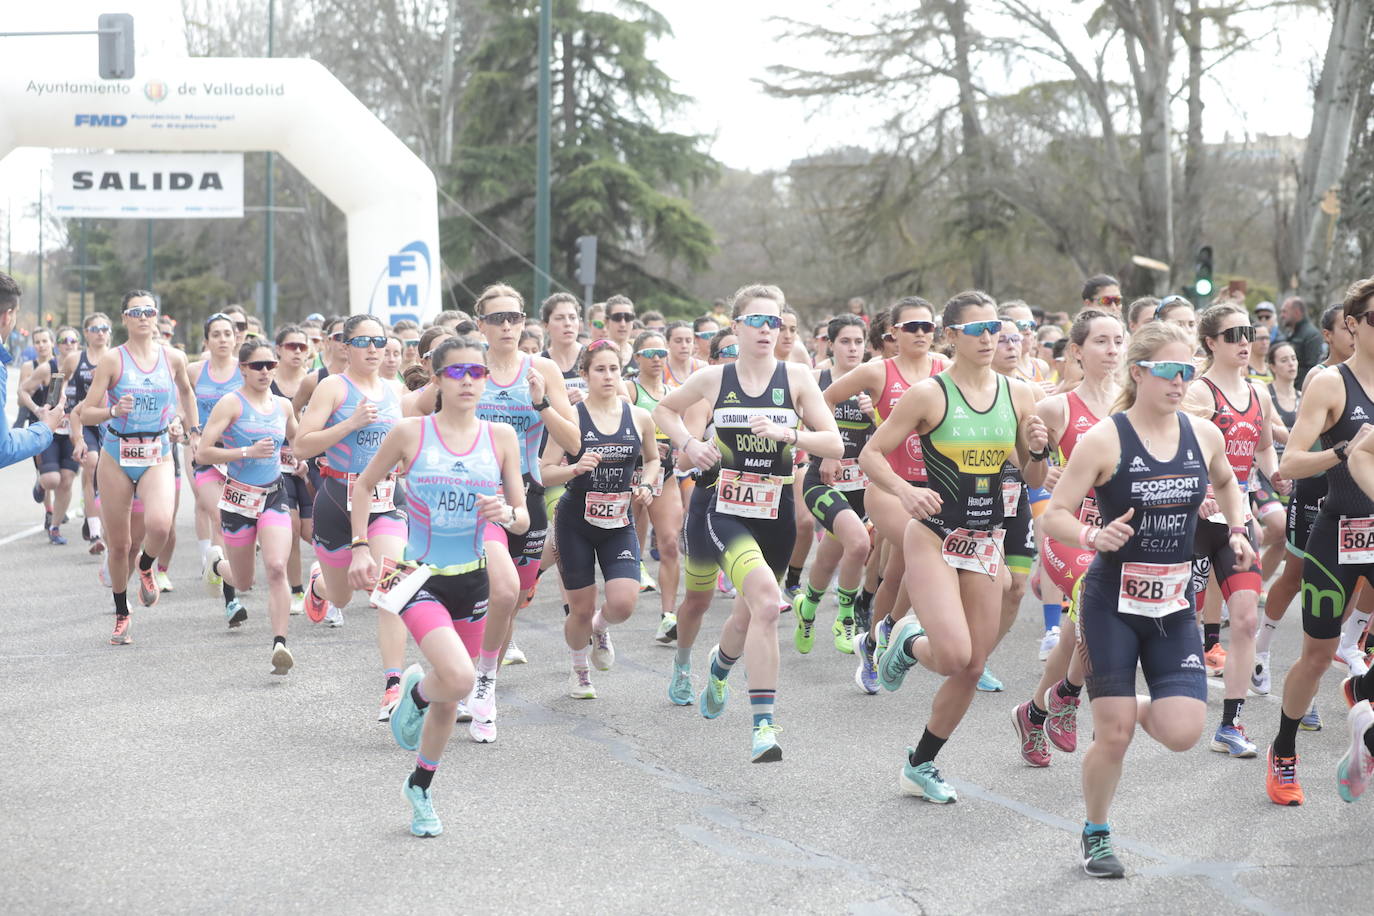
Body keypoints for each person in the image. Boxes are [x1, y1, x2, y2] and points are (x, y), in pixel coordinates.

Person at [1040, 319, 1252, 877]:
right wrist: (1091, 536)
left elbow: (1228, 481)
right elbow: (1056, 514)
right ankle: (1097, 832)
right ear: (1139, 372)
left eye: (1188, 371)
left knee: (1183, 732)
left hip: (1174, 603)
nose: (1181, 381)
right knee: (1112, 736)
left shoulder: (1202, 434)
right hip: (1111, 600)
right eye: (1169, 371)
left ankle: (1100, 703)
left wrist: (1237, 527)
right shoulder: (1106, 437)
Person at [862, 291, 1049, 804]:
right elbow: (871, 453)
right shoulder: (929, 395)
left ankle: (920, 764)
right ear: (951, 337)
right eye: (978, 330)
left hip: (985, 541)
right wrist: (904, 490)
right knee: (951, 656)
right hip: (934, 536)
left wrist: (1036, 450)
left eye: (997, 329)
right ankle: (904, 641)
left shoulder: (1018, 394)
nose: (990, 338)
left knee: (972, 665)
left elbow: (1029, 477)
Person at [654, 284, 843, 762]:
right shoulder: (715, 379)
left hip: (776, 512)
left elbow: (834, 444)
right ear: (735, 327)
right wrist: (688, 444)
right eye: (756, 321)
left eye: (773, 321)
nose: (765, 329)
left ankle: (718, 669)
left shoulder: (797, 377)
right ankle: (764, 728)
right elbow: (663, 409)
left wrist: (789, 432)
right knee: (764, 600)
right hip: (725, 508)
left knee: (748, 613)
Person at [348, 336, 528, 836]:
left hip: (471, 579)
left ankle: (420, 787)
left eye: (477, 372)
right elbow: (364, 486)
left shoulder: (500, 439)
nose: (468, 380)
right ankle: (416, 695)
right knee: (459, 678)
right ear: (439, 379)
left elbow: (522, 518)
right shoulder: (410, 432)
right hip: (414, 575)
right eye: (457, 373)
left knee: (451, 695)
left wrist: (506, 513)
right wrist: (361, 545)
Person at [1269, 277, 1374, 805]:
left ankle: (1365, 727)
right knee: (1317, 655)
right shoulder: (1331, 383)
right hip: (1336, 533)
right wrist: (1343, 452)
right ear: (1352, 326)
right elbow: (1289, 463)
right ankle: (1284, 751)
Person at [469, 284, 581, 740]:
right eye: (497, 319)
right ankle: (482, 684)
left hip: (528, 498)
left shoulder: (543, 369)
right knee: (502, 589)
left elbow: (574, 444)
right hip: (480, 499)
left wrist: (540, 403)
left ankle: (480, 665)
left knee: (514, 598)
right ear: (481, 325)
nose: (507, 326)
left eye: (514, 317)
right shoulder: (468, 367)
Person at [1012, 309, 1123, 767]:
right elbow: (1028, 471)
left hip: (1116, 535)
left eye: (1118, 340)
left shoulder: (1132, 405)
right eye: (1101, 341)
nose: (1112, 350)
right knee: (1097, 613)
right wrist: (1045, 465)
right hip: (1068, 534)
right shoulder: (1055, 406)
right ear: (1077, 351)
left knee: (1072, 638)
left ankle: (1035, 711)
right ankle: (1069, 698)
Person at [824, 297, 945, 694]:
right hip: (888, 487)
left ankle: (876, 639)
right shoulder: (877, 372)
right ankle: (890, 631)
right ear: (893, 332)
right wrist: (826, 448)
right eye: (912, 327)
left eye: (928, 327)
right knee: (921, 553)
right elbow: (824, 399)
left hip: (937, 490)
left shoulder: (947, 369)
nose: (922, 334)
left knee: (896, 573)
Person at [294, 313, 410, 718]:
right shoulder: (333, 387)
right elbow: (302, 446)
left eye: (380, 341)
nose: (374, 349)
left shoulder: (396, 391)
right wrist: (350, 424)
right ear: (346, 347)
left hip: (387, 503)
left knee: (391, 587)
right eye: (364, 342)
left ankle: (393, 686)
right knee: (342, 595)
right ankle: (320, 586)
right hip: (336, 499)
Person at [1182, 304, 1283, 758]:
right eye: (1233, 334)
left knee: (1244, 619)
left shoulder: (1259, 394)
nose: (1245, 341)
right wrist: (1197, 489)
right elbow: (1176, 452)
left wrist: (1278, 476)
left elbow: (1262, 450)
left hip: (1236, 522)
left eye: (1250, 332)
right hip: (1190, 520)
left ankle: (1230, 724)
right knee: (1171, 620)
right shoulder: (1198, 394)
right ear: (1210, 343)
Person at [73, 290, 198, 645]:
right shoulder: (113, 360)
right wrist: (114, 411)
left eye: (150, 311)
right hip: (116, 455)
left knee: (160, 525)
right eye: (136, 312)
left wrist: (192, 429)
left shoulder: (173, 357)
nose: (144, 317)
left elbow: (186, 394)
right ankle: (121, 613)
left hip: (156, 451)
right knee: (119, 543)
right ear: (124, 318)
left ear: (156, 316)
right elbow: (87, 411)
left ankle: (146, 566)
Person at [543, 341, 660, 697]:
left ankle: (601, 627)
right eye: (599, 370)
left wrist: (648, 485)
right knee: (579, 608)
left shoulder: (639, 417)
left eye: (613, 369)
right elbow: (545, 471)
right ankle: (579, 669)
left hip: (619, 521)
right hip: (575, 522)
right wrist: (575, 468)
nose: (608, 376)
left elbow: (653, 460)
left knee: (624, 602)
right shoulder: (572, 420)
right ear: (584, 375)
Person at [197, 340, 300, 672]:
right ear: (242, 369)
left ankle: (280, 644)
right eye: (257, 366)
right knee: (242, 582)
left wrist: (298, 461)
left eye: (270, 365)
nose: (265, 371)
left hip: (273, 495)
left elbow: (295, 442)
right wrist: (246, 452)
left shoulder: (283, 407)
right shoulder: (231, 403)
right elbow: (203, 453)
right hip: (238, 499)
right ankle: (216, 566)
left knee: (276, 567)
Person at [794, 315, 874, 656]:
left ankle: (807, 607)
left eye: (858, 342)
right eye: (845, 341)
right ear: (830, 344)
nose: (853, 348)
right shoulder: (816, 380)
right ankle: (845, 619)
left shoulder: (876, 381)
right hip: (824, 480)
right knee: (857, 544)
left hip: (863, 485)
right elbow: (798, 426)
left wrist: (877, 416)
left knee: (830, 556)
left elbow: (896, 434)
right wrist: (826, 451)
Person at [624, 330, 684, 640]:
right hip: (626, 474)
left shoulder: (675, 393)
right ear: (637, 359)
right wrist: (642, 448)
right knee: (623, 540)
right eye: (650, 354)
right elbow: (612, 427)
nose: (658, 358)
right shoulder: (629, 391)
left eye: (662, 353)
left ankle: (668, 616)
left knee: (670, 542)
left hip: (665, 474)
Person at [188, 313, 245, 621]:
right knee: (220, 516)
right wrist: (189, 431)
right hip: (208, 455)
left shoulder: (246, 370)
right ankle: (231, 601)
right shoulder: (195, 371)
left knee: (238, 524)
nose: (223, 339)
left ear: (236, 338)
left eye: (228, 333)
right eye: (217, 334)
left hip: (241, 456)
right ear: (206, 340)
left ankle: (216, 564)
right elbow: (181, 406)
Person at [0, 274, 59, 468]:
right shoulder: (26, 366)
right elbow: (2, 449)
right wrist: (45, 428)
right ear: (7, 316)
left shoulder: (59, 365)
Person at [1279, 296, 1324, 387]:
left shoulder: (1312, 335)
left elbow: (1311, 368)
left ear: (1297, 312)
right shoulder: (1289, 334)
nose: (1282, 316)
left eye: (1285, 312)